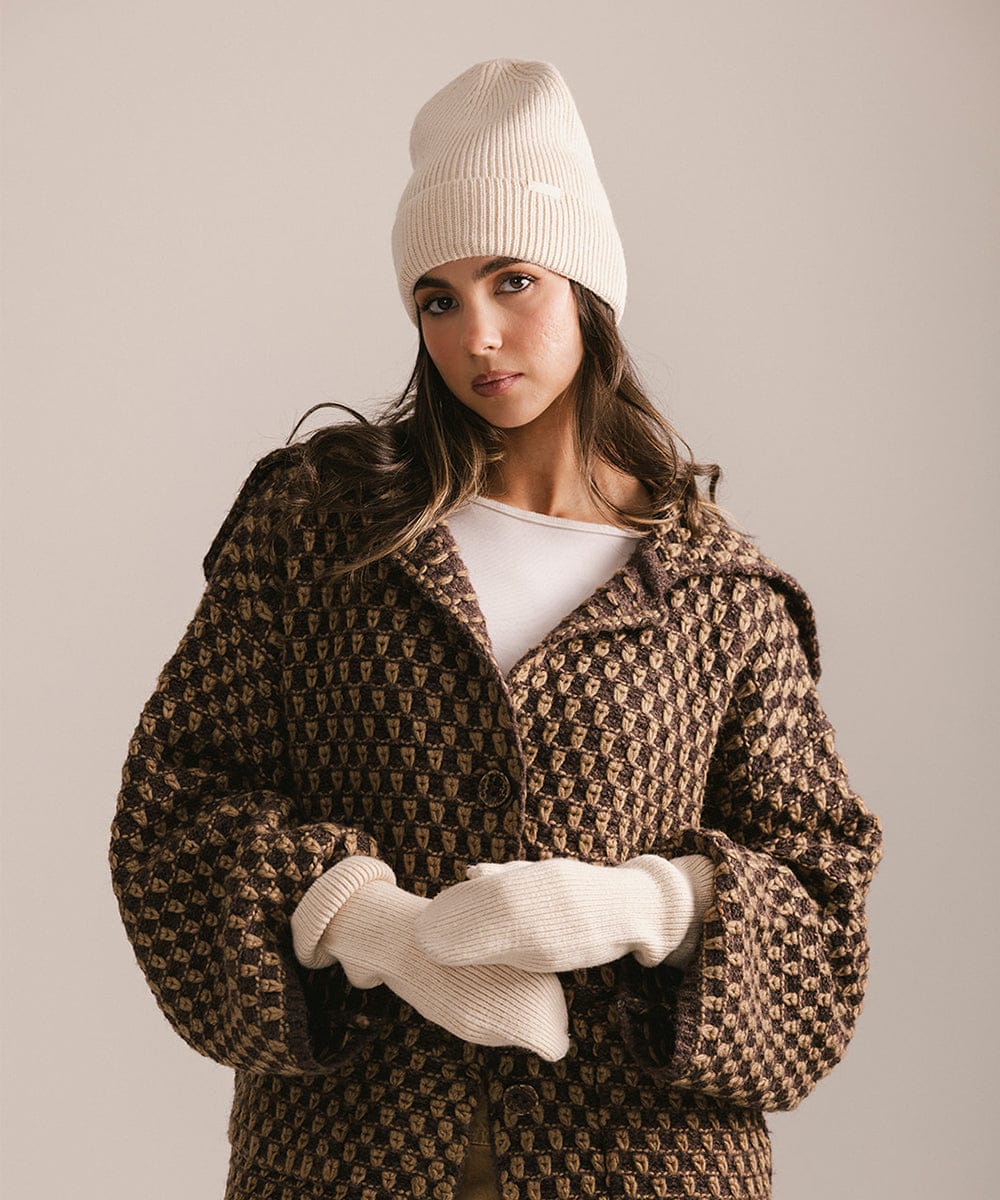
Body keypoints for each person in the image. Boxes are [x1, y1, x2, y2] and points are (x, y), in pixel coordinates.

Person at [109, 59, 882, 1200]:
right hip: (344, 1164)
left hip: (644, 1168)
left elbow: (823, 906)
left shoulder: (720, 591)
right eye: (438, 297)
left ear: (586, 284)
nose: (478, 334)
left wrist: (644, 907)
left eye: (513, 279)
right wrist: (371, 930)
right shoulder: (320, 529)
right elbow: (170, 814)